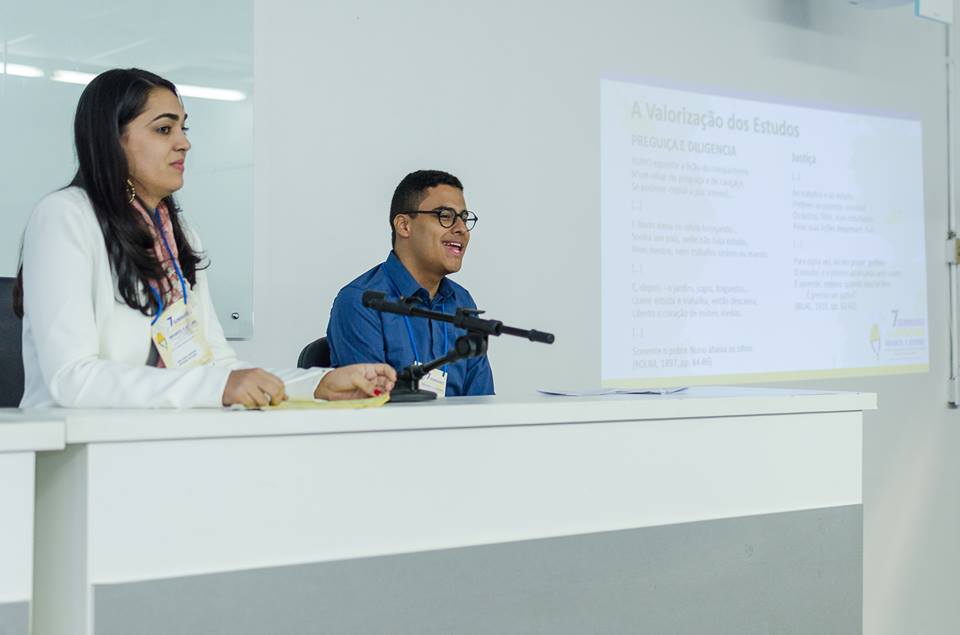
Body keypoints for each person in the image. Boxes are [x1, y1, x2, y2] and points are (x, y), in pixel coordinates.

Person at [14, 68, 395, 408]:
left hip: (161, 442)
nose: (184, 143)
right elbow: (72, 379)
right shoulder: (67, 216)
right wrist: (217, 387)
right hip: (78, 452)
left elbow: (216, 366)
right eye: (165, 129)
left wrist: (319, 383)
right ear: (113, 139)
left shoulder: (179, 233)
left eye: (184, 128)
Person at [326, 169, 494, 397]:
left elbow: (481, 402)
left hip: (460, 432)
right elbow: (370, 406)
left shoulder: (462, 301)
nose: (462, 229)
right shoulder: (361, 301)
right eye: (445, 216)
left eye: (464, 218)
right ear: (404, 225)